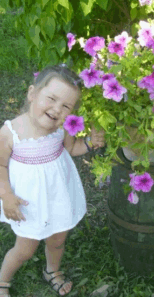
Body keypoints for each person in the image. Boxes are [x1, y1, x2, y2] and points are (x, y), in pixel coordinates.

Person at [0, 64, 105, 297]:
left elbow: (71, 148)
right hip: (28, 204)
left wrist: (89, 143)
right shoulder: (11, 132)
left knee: (57, 241)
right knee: (25, 250)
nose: (57, 109)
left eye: (66, 106)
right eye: (51, 99)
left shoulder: (62, 129)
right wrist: (6, 195)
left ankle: (52, 270)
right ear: (32, 94)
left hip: (58, 196)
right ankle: (2, 280)